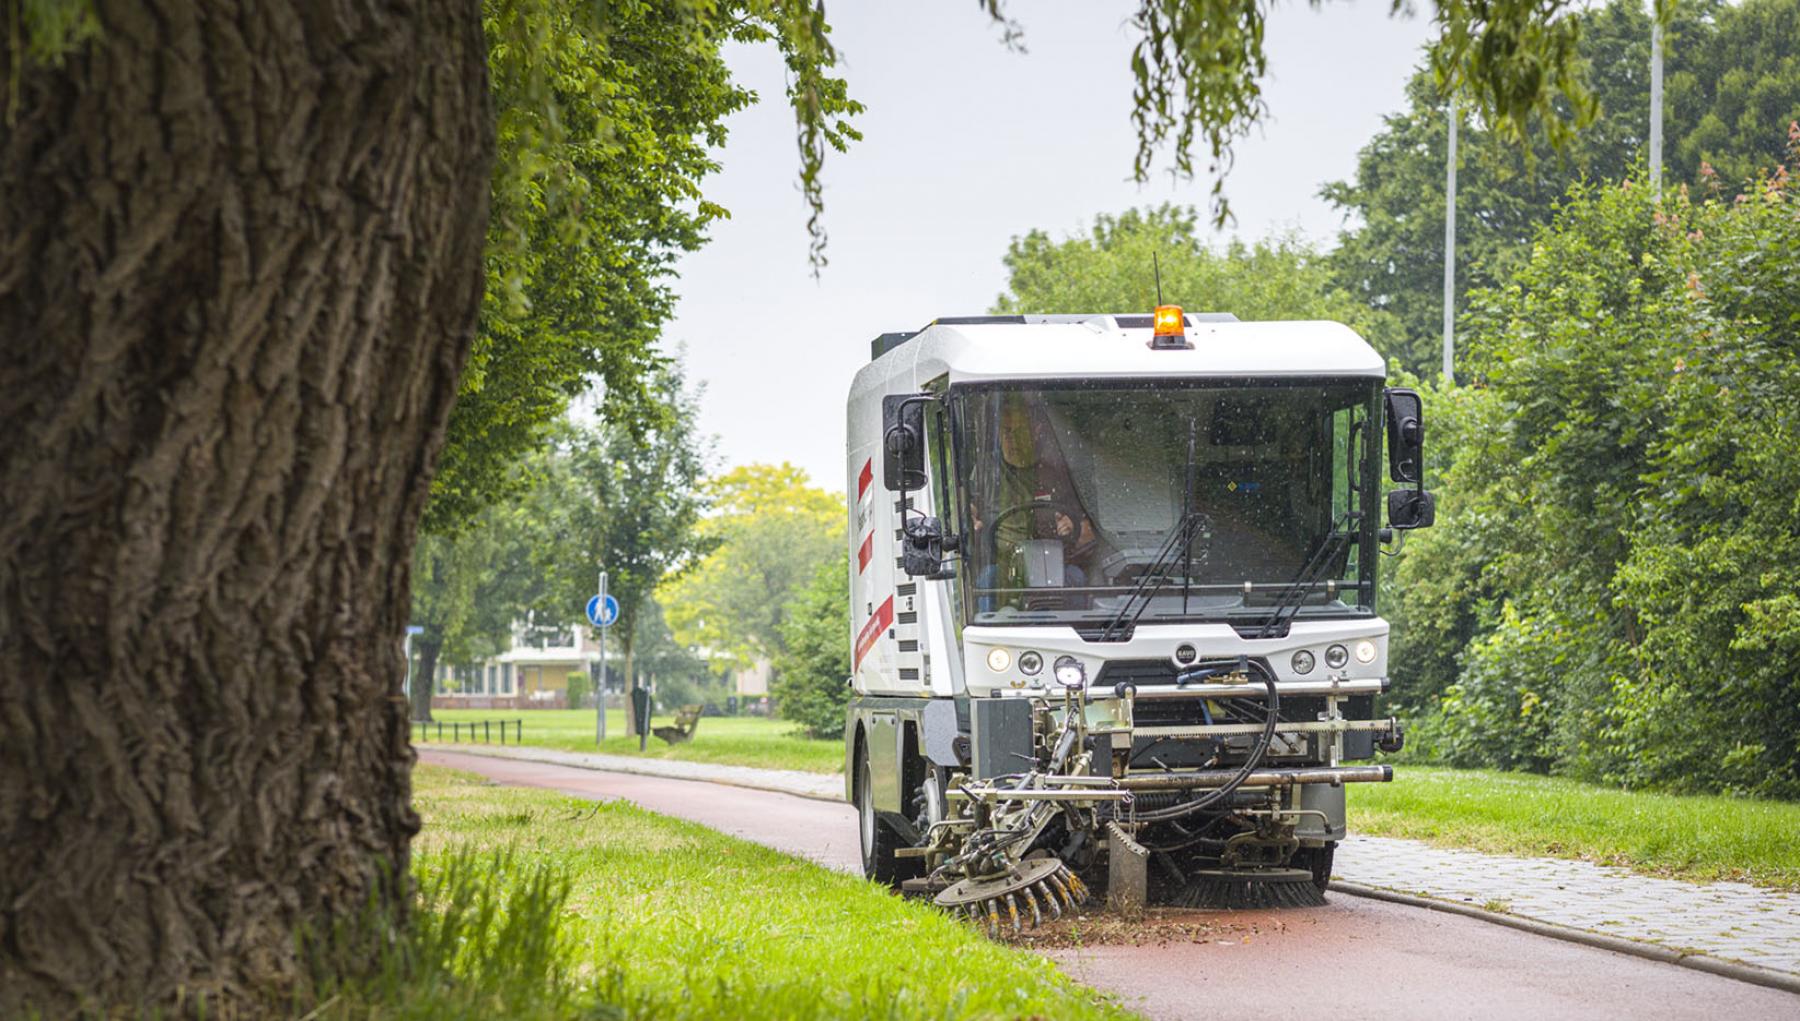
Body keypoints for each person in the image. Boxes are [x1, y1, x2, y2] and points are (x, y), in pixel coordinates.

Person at [971, 395, 1095, 612]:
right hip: (1002, 566)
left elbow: (1086, 529)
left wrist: (1072, 526)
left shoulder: (1056, 474)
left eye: (1019, 431)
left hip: (1054, 566)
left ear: (1036, 430)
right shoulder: (985, 474)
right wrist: (970, 518)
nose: (1012, 440)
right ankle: (991, 635)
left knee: (1076, 577)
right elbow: (967, 510)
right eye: (1006, 432)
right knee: (987, 579)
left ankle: (1073, 636)